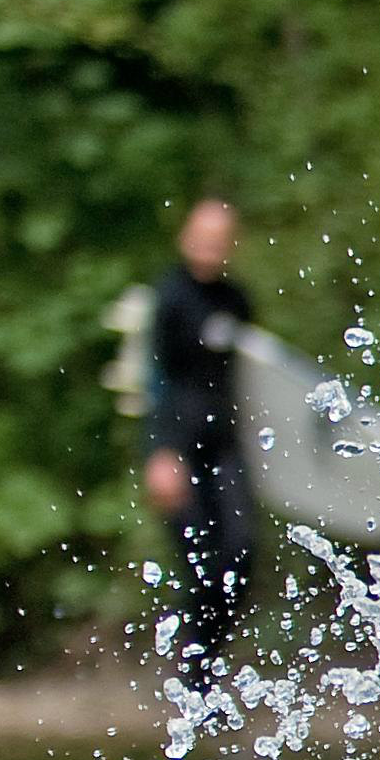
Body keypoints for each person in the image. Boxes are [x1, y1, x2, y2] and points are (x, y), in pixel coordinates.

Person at [141, 195, 258, 680]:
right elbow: (155, 380)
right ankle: (193, 678)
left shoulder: (237, 301)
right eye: (202, 236)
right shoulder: (170, 298)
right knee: (201, 565)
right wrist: (160, 453)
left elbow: (253, 379)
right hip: (179, 448)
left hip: (225, 447)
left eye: (220, 238)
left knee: (240, 554)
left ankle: (205, 669)